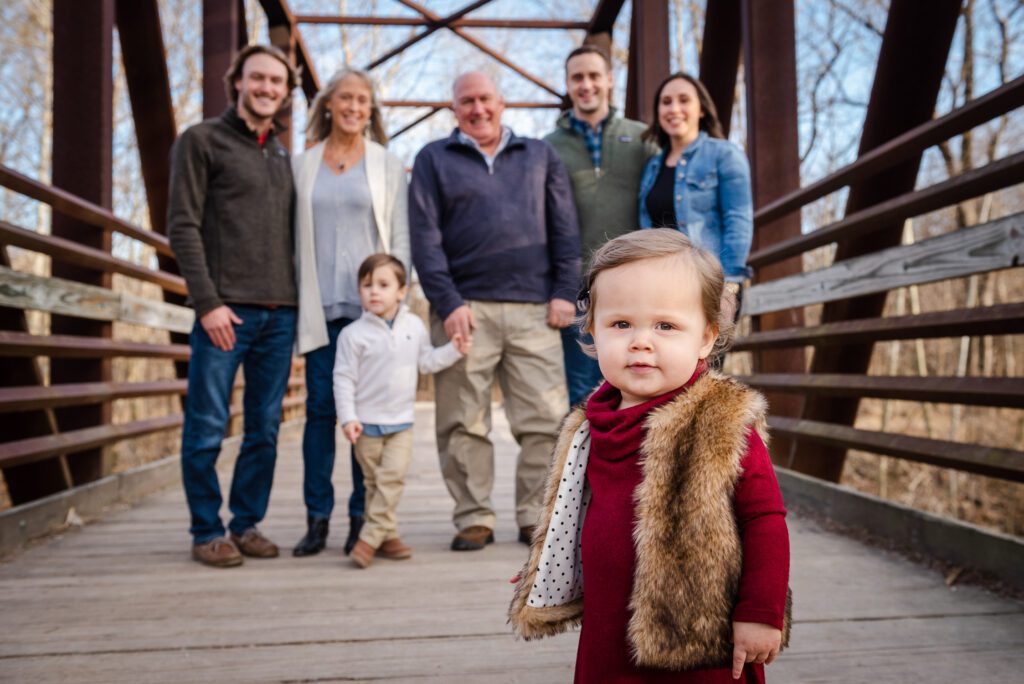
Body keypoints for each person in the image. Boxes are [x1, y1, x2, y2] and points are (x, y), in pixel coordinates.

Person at [509, 230, 791, 682]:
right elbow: (574, 510)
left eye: (666, 326)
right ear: (593, 333)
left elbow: (765, 519)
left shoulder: (719, 421)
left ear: (705, 339)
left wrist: (761, 611)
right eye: (621, 325)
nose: (641, 341)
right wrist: (546, 566)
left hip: (696, 634)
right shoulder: (590, 424)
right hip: (608, 627)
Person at [409, 71, 581, 551]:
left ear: (502, 103)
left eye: (485, 98)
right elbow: (425, 240)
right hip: (464, 311)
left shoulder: (539, 156)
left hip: (536, 311)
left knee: (545, 421)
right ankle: (473, 517)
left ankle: (533, 515)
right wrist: (447, 303)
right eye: (466, 101)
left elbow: (566, 230)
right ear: (453, 109)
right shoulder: (433, 159)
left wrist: (566, 290)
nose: (477, 108)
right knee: (463, 420)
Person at [168, 44, 300, 567]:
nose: (268, 88)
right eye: (258, 78)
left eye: (277, 81)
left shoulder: (283, 154)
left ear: (286, 92)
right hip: (225, 313)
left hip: (281, 313)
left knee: (263, 429)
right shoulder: (202, 140)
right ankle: (206, 530)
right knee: (206, 424)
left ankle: (245, 525)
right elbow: (182, 225)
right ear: (238, 82)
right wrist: (207, 303)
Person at [291, 68, 411, 558]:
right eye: (346, 98)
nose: (354, 107)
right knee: (321, 414)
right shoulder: (302, 164)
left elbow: (400, 237)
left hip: (373, 314)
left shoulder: (386, 164)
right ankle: (316, 518)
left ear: (371, 109)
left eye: (363, 100)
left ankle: (364, 521)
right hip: (320, 311)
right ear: (327, 104)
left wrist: (399, 300)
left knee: (373, 419)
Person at [333, 254, 469, 568]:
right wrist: (349, 417)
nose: (374, 292)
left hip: (401, 424)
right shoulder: (352, 335)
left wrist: (454, 350)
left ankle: (367, 539)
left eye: (383, 285)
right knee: (373, 485)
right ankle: (388, 535)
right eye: (367, 285)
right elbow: (343, 379)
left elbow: (426, 362)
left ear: (401, 291)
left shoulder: (414, 326)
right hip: (366, 425)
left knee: (391, 480)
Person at [544, 45, 654, 407]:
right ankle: (588, 466)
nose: (586, 84)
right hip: (576, 286)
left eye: (594, 75)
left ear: (609, 79)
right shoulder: (547, 148)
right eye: (578, 77)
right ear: (567, 84)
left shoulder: (643, 139)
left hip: (634, 281)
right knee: (583, 393)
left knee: (637, 384)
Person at [638, 72, 753, 311]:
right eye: (666, 102)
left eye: (684, 100)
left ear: (701, 109)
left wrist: (729, 286)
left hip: (707, 283)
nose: (674, 108)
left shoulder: (724, 154)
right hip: (659, 287)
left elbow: (738, 219)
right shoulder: (652, 167)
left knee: (704, 350)